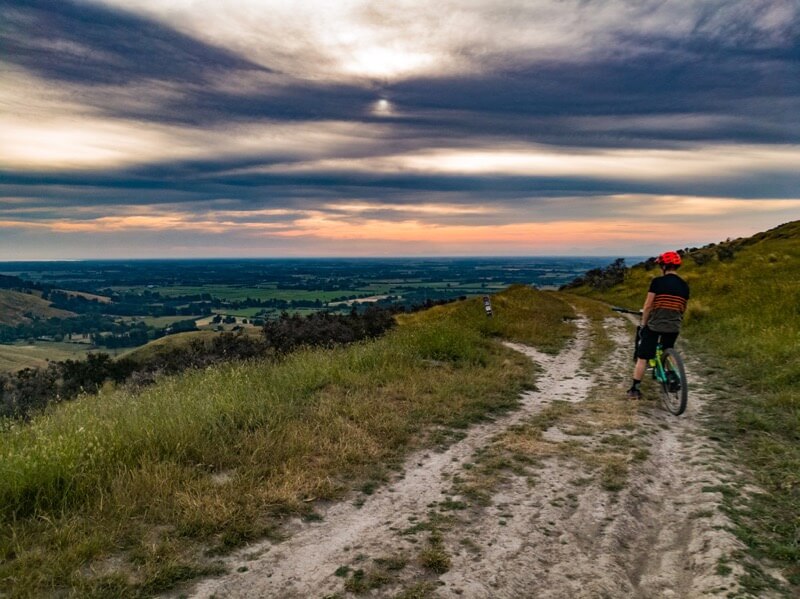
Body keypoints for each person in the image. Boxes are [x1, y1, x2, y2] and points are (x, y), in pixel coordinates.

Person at [627, 251, 690, 399]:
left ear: (663, 265)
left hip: (655, 325)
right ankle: (672, 373)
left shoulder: (657, 282)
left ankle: (635, 389)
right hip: (674, 326)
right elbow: (682, 308)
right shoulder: (685, 286)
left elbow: (648, 305)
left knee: (643, 356)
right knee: (668, 349)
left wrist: (643, 323)